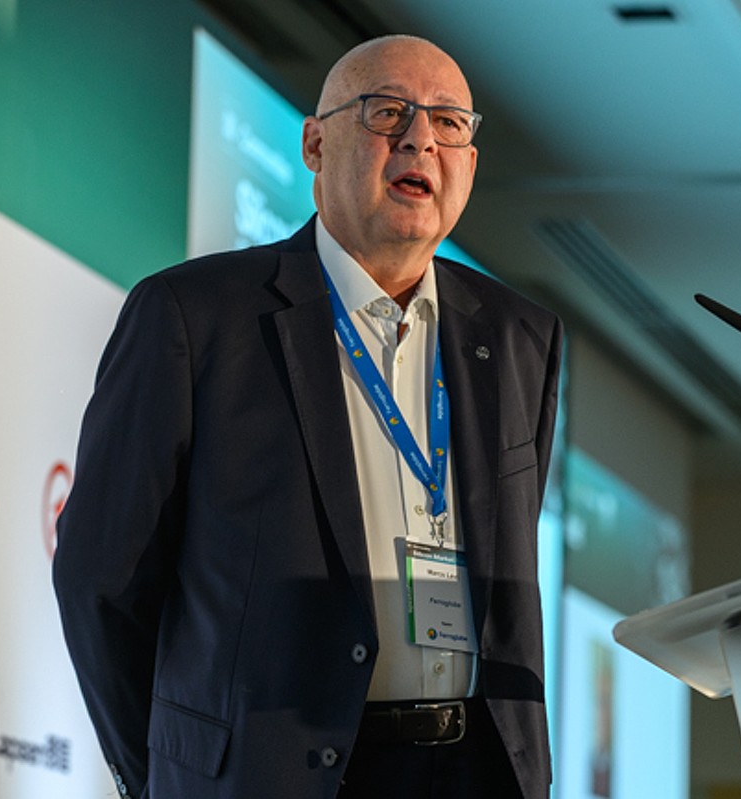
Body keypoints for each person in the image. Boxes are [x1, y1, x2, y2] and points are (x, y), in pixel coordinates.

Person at [53, 34, 561, 799]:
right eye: (387, 112)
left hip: (474, 772)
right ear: (316, 144)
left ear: (469, 162)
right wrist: (169, 775)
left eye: (449, 122)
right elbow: (100, 579)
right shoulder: (194, 315)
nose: (420, 139)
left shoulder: (521, 336)